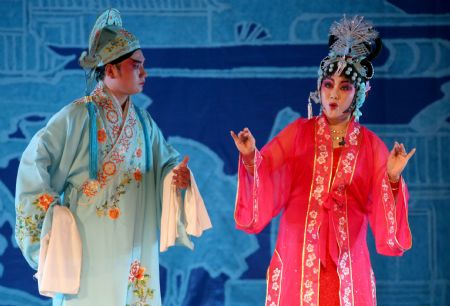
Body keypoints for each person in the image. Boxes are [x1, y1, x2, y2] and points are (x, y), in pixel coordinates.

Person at [15, 8, 211, 306]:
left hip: (135, 243)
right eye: (136, 66)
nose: (144, 73)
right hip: (87, 246)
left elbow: (167, 164)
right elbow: (34, 162)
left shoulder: (144, 123)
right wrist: (54, 217)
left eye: (143, 65)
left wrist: (176, 179)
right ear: (110, 70)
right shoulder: (76, 117)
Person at [231, 16, 415, 306]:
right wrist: (251, 156)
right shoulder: (298, 133)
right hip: (299, 254)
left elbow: (383, 212)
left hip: (346, 260)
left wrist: (392, 178)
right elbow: (268, 171)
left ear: (358, 95)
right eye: (329, 84)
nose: (333, 94)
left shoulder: (369, 144)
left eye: (345, 87)